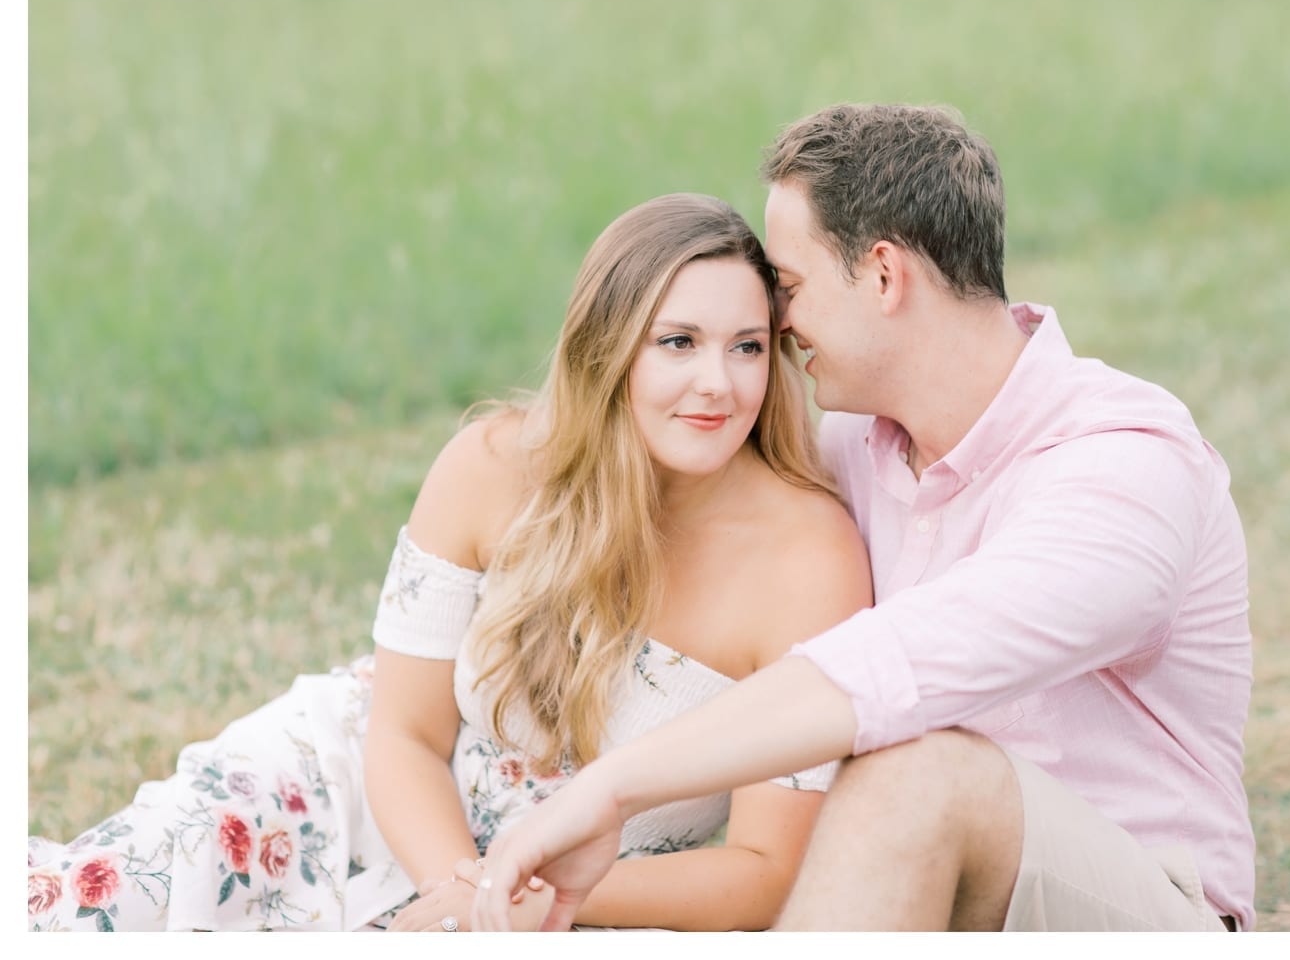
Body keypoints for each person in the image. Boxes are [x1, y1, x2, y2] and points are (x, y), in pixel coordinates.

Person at [469, 103, 1257, 933]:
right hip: (904, 895)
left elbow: (903, 665)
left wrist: (612, 789)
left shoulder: (1124, 463)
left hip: (1139, 911)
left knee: (918, 772)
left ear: (884, 275)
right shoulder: (851, 447)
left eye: (792, 286)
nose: (777, 323)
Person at [26, 193, 873, 932]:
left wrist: (521, 903)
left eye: (748, 347)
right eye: (678, 342)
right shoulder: (493, 468)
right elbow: (403, 734)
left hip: (590, 902)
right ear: (608, 351)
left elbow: (764, 870)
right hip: (355, 799)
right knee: (87, 906)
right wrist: (459, 893)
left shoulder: (809, 558)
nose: (717, 384)